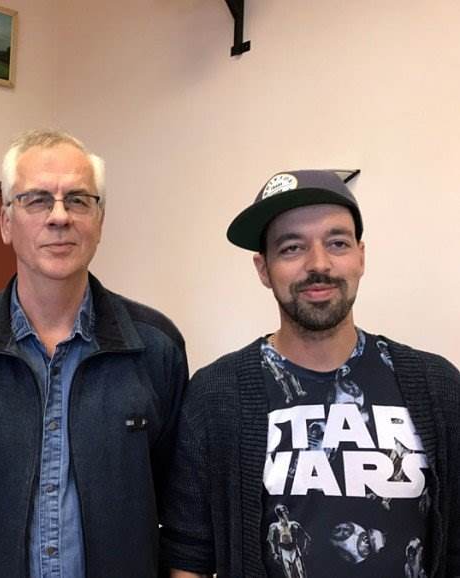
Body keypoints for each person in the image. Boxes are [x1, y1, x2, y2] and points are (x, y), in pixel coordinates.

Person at [0, 129, 188, 577]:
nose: (59, 216)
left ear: (99, 221)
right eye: (37, 199)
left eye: (78, 200)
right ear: (5, 222)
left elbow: (166, 484)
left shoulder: (155, 347)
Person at [160, 170, 459, 577]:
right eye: (292, 248)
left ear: (361, 256)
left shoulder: (436, 386)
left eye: (337, 243)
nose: (318, 264)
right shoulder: (216, 395)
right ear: (263, 269)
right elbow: (188, 559)